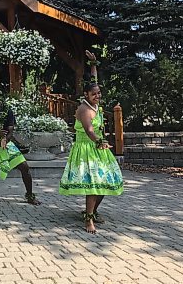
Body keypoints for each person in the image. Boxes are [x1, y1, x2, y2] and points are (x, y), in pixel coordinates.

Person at [59, 50, 123, 234]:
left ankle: (92, 212)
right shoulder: (84, 110)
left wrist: (93, 64)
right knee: (94, 184)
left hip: (98, 146)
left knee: (104, 183)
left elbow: (93, 81)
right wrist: (100, 141)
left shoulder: (94, 105)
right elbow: (89, 131)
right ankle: (88, 221)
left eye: (99, 93)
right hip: (87, 148)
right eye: (94, 93)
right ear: (86, 94)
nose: (98, 95)